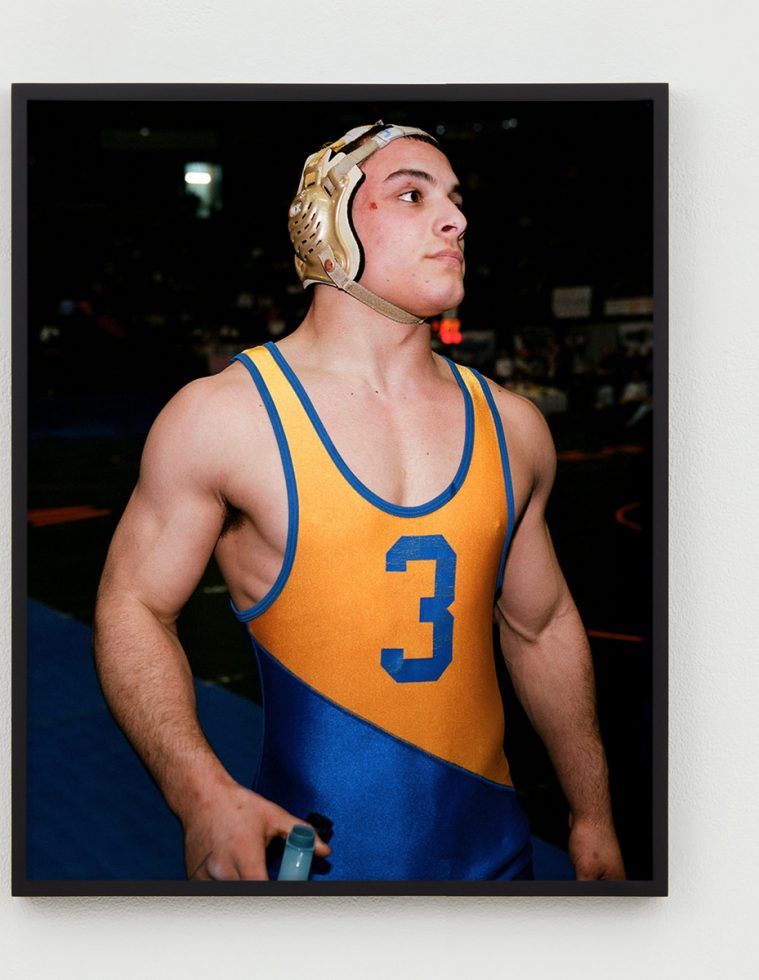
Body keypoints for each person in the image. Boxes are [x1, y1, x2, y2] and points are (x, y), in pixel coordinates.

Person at [93, 122, 625, 882]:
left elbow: (540, 628)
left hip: (500, 865)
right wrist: (200, 793)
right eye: (412, 194)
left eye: (455, 199)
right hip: (316, 873)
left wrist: (592, 815)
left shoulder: (512, 427)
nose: (455, 219)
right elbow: (132, 606)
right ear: (327, 222)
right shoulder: (224, 417)